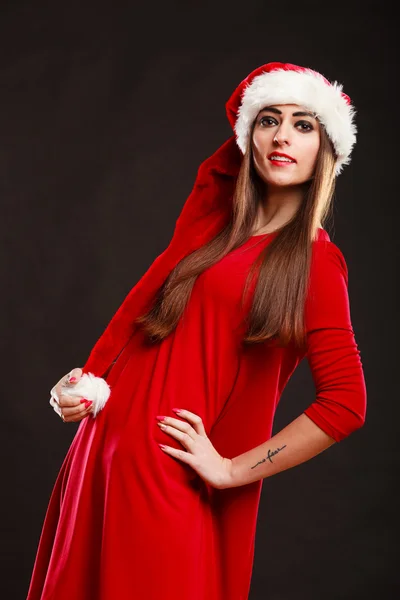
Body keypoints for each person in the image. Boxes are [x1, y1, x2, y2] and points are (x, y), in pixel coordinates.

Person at [26, 62, 367, 600]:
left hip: (168, 480)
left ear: (326, 148)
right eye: (269, 120)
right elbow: (148, 334)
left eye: (303, 125)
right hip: (101, 459)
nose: (282, 136)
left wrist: (234, 469)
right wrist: (85, 388)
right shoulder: (210, 231)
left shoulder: (317, 263)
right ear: (248, 136)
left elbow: (346, 402)